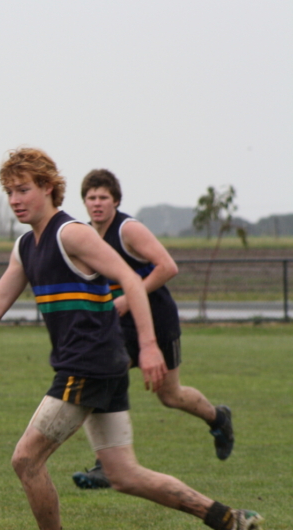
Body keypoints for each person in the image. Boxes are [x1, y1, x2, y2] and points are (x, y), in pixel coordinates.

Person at [0, 148, 262, 530]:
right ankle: (231, 521)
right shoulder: (25, 246)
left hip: (88, 366)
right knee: (124, 475)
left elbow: (131, 280)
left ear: (48, 187)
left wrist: (149, 346)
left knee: (26, 459)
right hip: (97, 366)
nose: (14, 200)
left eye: (23, 189)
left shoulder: (72, 235)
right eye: (9, 192)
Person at [72, 168, 234, 489]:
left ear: (116, 201)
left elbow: (168, 267)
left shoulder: (128, 229)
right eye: (91, 197)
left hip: (157, 319)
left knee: (170, 395)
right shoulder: (86, 235)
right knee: (104, 373)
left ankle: (218, 418)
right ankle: (107, 464)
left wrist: (129, 298)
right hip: (120, 324)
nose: (97, 203)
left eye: (103, 197)